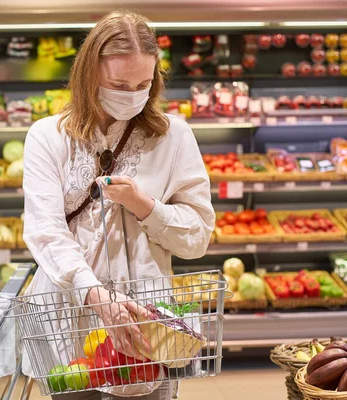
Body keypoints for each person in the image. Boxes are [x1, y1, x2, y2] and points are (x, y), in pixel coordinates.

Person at [22, 9, 215, 400]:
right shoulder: (47, 137)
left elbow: (196, 238)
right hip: (68, 320)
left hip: (146, 324)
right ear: (89, 74)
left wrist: (144, 205)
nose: (132, 95)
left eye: (143, 83)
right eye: (118, 83)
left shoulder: (175, 136)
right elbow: (45, 231)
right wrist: (94, 293)